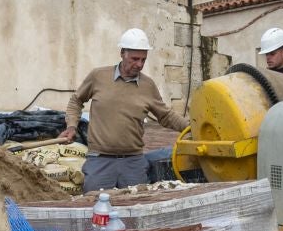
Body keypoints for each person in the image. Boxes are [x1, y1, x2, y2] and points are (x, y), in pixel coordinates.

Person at [58, 28, 187, 190]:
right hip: (100, 161)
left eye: (143, 60)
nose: (139, 64)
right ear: (122, 53)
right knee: (95, 207)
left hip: (133, 162)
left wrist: (190, 129)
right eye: (134, 59)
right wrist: (71, 126)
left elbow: (166, 116)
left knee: (136, 206)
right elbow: (76, 101)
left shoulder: (148, 85)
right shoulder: (98, 77)